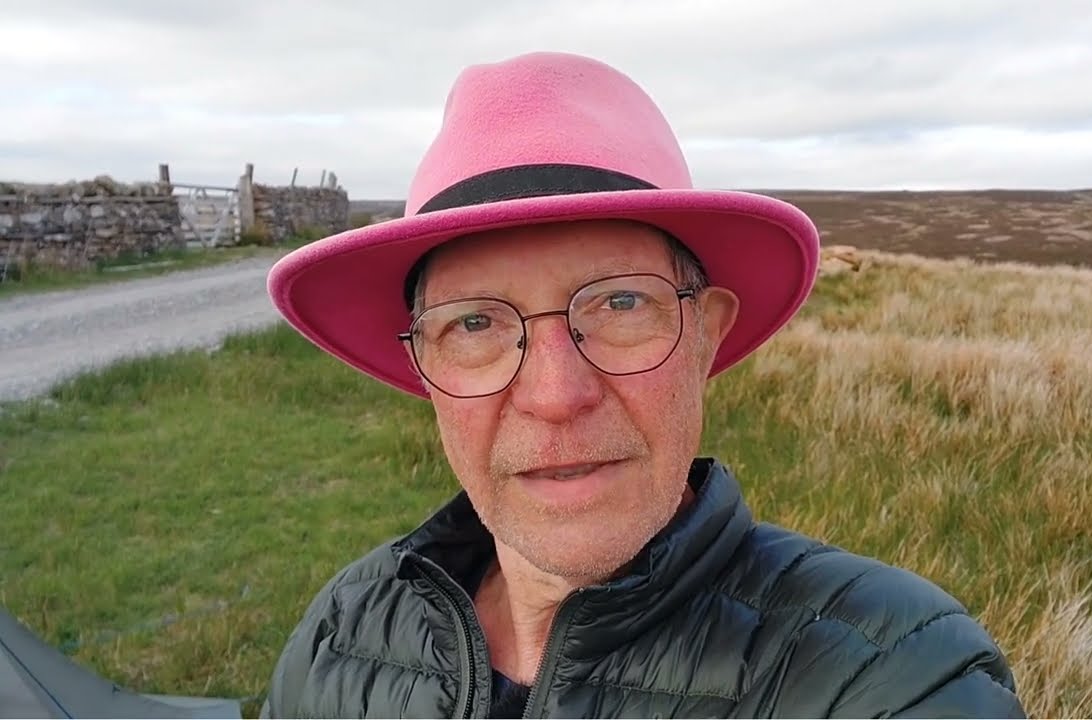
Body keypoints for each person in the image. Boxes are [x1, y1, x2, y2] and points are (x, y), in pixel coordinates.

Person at [260, 51, 1025, 719]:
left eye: (621, 303)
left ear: (706, 336)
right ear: (427, 370)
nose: (556, 395)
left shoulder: (887, 672)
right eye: (474, 325)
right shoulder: (345, 627)